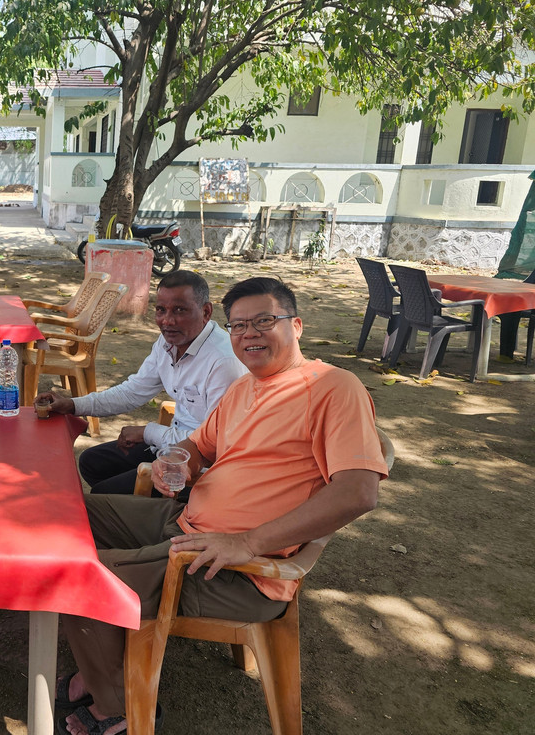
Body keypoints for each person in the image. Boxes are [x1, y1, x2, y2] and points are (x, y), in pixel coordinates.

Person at [56, 277, 389, 735]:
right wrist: (179, 464)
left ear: (296, 326)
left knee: (75, 579)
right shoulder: (245, 388)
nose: (249, 334)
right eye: (238, 326)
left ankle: (119, 708)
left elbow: (358, 492)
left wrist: (248, 542)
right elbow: (198, 446)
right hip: (187, 522)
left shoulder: (335, 388)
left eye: (263, 321)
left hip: (236, 567)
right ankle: (101, 661)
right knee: (64, 514)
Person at [36, 270, 246, 495]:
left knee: (102, 495)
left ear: (206, 312)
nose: (167, 321)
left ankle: (163, 513)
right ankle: (141, 513)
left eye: (180, 310)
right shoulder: (168, 342)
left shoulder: (224, 362)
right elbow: (133, 391)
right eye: (161, 310)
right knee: (91, 461)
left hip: (197, 466)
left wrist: (148, 432)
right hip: (170, 443)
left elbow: (213, 444)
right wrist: (73, 405)